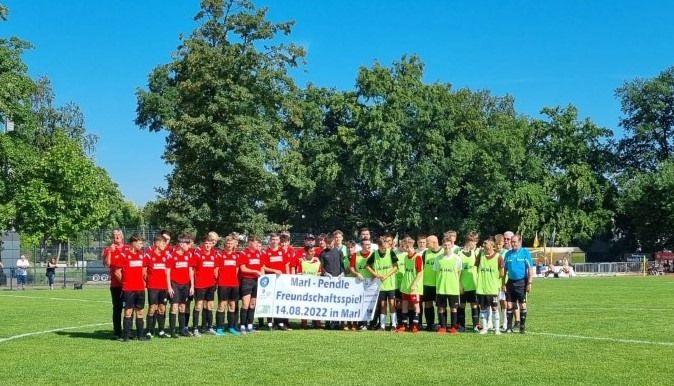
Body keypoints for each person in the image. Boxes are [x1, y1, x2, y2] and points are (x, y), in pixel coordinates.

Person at [114, 234, 147, 342]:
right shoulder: (123, 255)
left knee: (140, 312)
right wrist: (124, 283)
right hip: (128, 289)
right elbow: (117, 272)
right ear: (133, 242)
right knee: (128, 311)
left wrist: (143, 281)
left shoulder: (141, 255)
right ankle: (126, 335)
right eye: (140, 243)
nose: (142, 245)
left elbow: (143, 271)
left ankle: (141, 335)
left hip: (140, 289)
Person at [366, 234, 398, 331]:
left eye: (387, 247)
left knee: (392, 304)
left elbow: (396, 267)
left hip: (391, 284)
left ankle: (393, 325)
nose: (385, 249)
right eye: (383, 248)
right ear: (379, 246)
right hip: (380, 285)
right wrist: (375, 274)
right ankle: (382, 326)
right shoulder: (374, 254)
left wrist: (386, 275)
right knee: (382, 305)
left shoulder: (391, 252)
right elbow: (367, 266)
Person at [503, 234, 534, 333]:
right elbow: (504, 270)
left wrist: (529, 283)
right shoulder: (508, 254)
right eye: (512, 242)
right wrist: (503, 283)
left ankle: (522, 327)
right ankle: (508, 327)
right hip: (510, 282)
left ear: (520, 242)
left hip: (522, 282)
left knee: (522, 305)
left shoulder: (525, 253)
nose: (513, 244)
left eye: (514, 242)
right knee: (509, 305)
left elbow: (530, 269)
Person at [165, 233, 195, 338]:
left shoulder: (189, 255)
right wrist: (169, 287)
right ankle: (172, 330)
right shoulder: (171, 255)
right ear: (182, 244)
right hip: (175, 284)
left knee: (183, 307)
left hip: (186, 285)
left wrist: (192, 286)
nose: (189, 246)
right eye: (188, 243)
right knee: (174, 307)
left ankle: (182, 329)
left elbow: (190, 271)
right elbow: (167, 272)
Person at [191, 232, 219, 336]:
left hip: (211, 284)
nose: (208, 245)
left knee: (210, 306)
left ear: (212, 244)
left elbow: (216, 269)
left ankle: (209, 328)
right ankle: (195, 329)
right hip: (200, 285)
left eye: (210, 243)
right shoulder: (198, 254)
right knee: (198, 306)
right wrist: (193, 285)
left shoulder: (214, 254)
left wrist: (216, 281)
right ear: (203, 243)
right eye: (206, 243)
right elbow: (193, 270)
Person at [103, 229, 129, 340]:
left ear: (122, 236)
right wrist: (110, 252)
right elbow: (107, 265)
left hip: (129, 284)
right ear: (112, 237)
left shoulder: (128, 248)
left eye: (119, 235)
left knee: (128, 308)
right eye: (115, 235)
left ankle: (128, 331)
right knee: (117, 308)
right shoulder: (108, 249)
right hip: (116, 284)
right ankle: (117, 332)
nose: (117, 237)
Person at [434, 236, 462, 334]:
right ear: (442, 246)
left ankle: (453, 327)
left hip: (453, 288)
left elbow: (459, 272)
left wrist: (457, 284)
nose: (447, 247)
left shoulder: (457, 258)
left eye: (449, 245)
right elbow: (436, 272)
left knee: (453, 308)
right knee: (441, 308)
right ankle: (443, 327)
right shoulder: (438, 258)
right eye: (445, 245)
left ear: (452, 245)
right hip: (441, 287)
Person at [475, 239, 504, 335]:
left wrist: (494, 280)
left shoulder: (498, 257)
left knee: (495, 308)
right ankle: (485, 328)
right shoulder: (481, 255)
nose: (483, 245)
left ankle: (497, 329)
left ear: (492, 245)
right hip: (481, 288)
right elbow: (476, 267)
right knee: (483, 308)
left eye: (485, 243)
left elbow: (502, 272)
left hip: (493, 288)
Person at [144, 233, 170, 339]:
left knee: (162, 308)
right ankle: (149, 331)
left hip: (163, 287)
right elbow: (144, 272)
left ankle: (161, 331)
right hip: (153, 287)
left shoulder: (166, 256)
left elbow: (167, 272)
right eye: (163, 243)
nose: (165, 245)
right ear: (157, 243)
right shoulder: (149, 255)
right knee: (152, 308)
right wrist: (150, 282)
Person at [238, 235, 265, 334]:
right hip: (247, 281)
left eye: (258, 243)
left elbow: (261, 267)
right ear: (249, 243)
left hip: (256, 281)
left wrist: (263, 275)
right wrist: (255, 271)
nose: (257, 244)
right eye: (255, 243)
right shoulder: (244, 253)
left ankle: (250, 325)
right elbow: (243, 269)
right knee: (245, 304)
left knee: (253, 304)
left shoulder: (259, 253)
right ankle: (242, 326)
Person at [215, 235, 241, 335]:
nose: (229, 245)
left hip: (234, 284)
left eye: (231, 243)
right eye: (228, 243)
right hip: (223, 284)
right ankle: (219, 327)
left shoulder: (236, 255)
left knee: (232, 305)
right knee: (222, 305)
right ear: (225, 243)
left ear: (234, 244)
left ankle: (231, 327)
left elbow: (236, 270)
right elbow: (216, 270)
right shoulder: (220, 255)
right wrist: (220, 280)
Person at [396, 237, 423, 333]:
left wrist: (414, 284)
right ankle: (404, 325)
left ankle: (415, 325)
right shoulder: (406, 257)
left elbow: (420, 272)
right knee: (404, 305)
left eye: (407, 246)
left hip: (414, 287)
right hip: (405, 285)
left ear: (411, 246)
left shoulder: (418, 257)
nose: (406, 248)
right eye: (404, 246)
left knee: (416, 306)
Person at [263, 232, 289, 330]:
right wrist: (274, 270)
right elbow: (263, 267)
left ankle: (280, 322)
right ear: (270, 240)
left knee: (279, 301)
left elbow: (286, 265)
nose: (274, 241)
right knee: (269, 301)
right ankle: (270, 322)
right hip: (270, 280)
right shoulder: (266, 252)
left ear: (279, 241)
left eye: (276, 240)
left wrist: (287, 277)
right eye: (273, 240)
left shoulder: (282, 251)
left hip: (281, 280)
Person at [321, 234, 346, 329]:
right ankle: (328, 322)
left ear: (333, 242)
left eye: (330, 243)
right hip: (328, 280)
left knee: (337, 302)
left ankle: (336, 322)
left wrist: (342, 273)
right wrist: (325, 273)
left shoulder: (339, 252)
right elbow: (322, 267)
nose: (329, 244)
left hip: (337, 280)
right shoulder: (323, 253)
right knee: (328, 301)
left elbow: (342, 265)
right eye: (327, 243)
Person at [350, 238, 375, 330]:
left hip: (372, 283)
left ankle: (373, 323)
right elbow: (352, 268)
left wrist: (374, 274)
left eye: (369, 244)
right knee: (360, 303)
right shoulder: (355, 255)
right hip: (359, 283)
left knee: (372, 303)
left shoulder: (373, 254)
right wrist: (357, 273)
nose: (368, 246)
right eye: (366, 244)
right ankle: (361, 323)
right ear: (362, 246)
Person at [458, 232, 480, 332]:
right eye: (473, 242)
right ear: (468, 241)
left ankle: (476, 326)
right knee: (461, 305)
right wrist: (459, 285)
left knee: (474, 305)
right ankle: (461, 326)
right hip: (462, 285)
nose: (475, 244)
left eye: (475, 242)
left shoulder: (475, 253)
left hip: (473, 285)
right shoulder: (459, 254)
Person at [296, 246, 321, 329]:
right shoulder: (301, 261)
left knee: (316, 305)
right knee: (304, 305)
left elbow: (319, 273)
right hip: (304, 288)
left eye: (313, 251)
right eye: (311, 251)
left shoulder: (317, 261)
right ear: (306, 252)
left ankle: (317, 324)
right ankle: (304, 323)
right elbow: (298, 274)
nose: (313, 252)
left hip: (315, 287)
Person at [422, 235, 443, 331]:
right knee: (428, 304)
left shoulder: (443, 252)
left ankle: (441, 325)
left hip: (439, 284)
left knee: (440, 305)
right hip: (427, 283)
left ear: (434, 242)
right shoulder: (425, 253)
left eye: (428, 242)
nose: (426, 244)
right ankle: (429, 324)